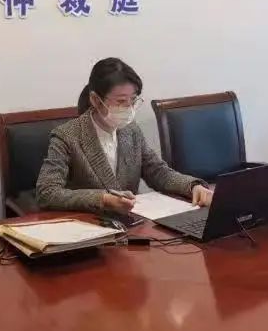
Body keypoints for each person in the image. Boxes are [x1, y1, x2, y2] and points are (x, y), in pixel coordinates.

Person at [36, 58, 213, 214]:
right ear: (96, 100)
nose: (129, 108)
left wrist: (192, 186)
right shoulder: (67, 136)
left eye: (133, 100)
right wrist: (102, 199)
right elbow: (47, 193)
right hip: (90, 226)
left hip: (131, 224)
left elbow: (158, 172)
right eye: (121, 101)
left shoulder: (131, 130)